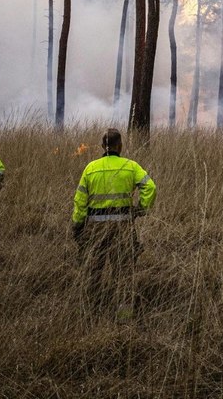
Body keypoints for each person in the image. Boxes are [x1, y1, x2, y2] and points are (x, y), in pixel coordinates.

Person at [71, 128, 156, 318]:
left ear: (102, 146)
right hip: (122, 228)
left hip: (95, 229)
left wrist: (77, 224)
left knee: (93, 271)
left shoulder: (90, 168)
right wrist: (141, 209)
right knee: (124, 273)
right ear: (120, 146)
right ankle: (124, 317)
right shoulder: (130, 166)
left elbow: (80, 201)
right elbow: (150, 187)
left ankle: (91, 313)